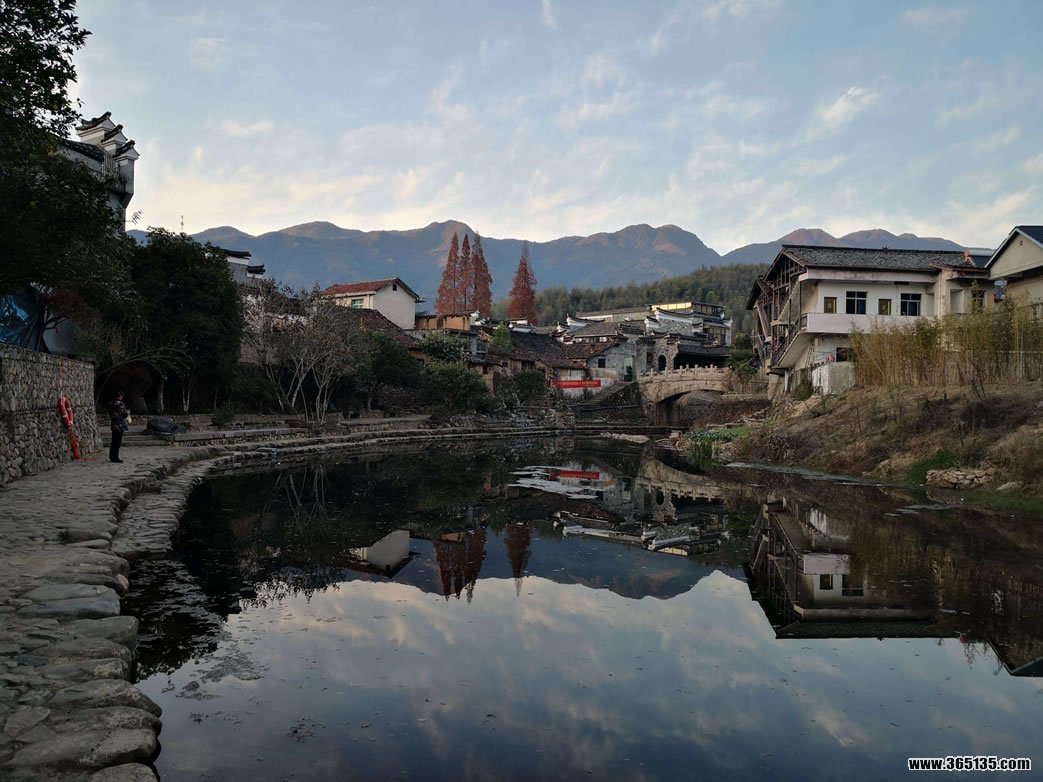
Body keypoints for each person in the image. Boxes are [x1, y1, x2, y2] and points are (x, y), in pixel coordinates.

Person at [109, 391, 129, 463]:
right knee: (117, 441)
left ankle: (112, 456)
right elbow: (124, 414)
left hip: (115, 424)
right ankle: (115, 457)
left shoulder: (112, 403)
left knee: (114, 441)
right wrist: (127, 413)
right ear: (120, 396)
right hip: (119, 424)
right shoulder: (119, 404)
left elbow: (111, 413)